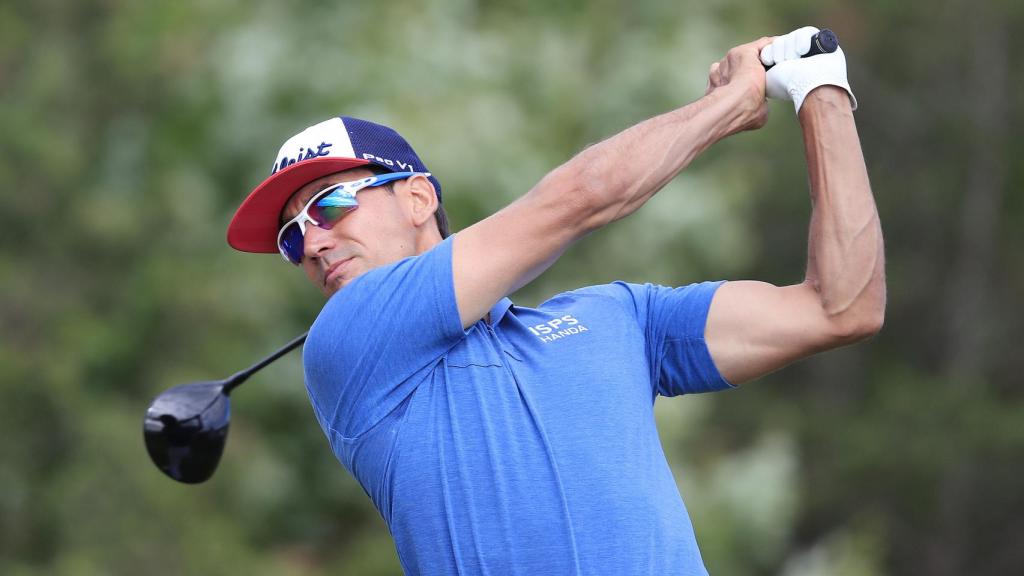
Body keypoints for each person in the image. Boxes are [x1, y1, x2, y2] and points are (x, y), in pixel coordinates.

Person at [226, 26, 885, 576]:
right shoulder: (349, 339)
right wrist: (733, 102)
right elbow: (577, 202)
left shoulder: (618, 318)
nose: (311, 241)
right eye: (291, 235)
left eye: (331, 203)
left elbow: (842, 308)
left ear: (419, 198)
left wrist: (818, 85)